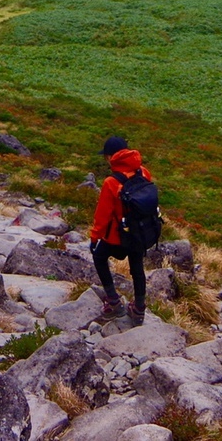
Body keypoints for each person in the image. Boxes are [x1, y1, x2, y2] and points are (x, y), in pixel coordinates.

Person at [89, 134, 158, 321]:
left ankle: (114, 302)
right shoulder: (143, 172)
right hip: (139, 233)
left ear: (110, 156)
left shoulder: (111, 182)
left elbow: (102, 215)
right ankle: (139, 310)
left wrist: (95, 237)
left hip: (117, 237)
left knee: (99, 257)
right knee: (137, 269)